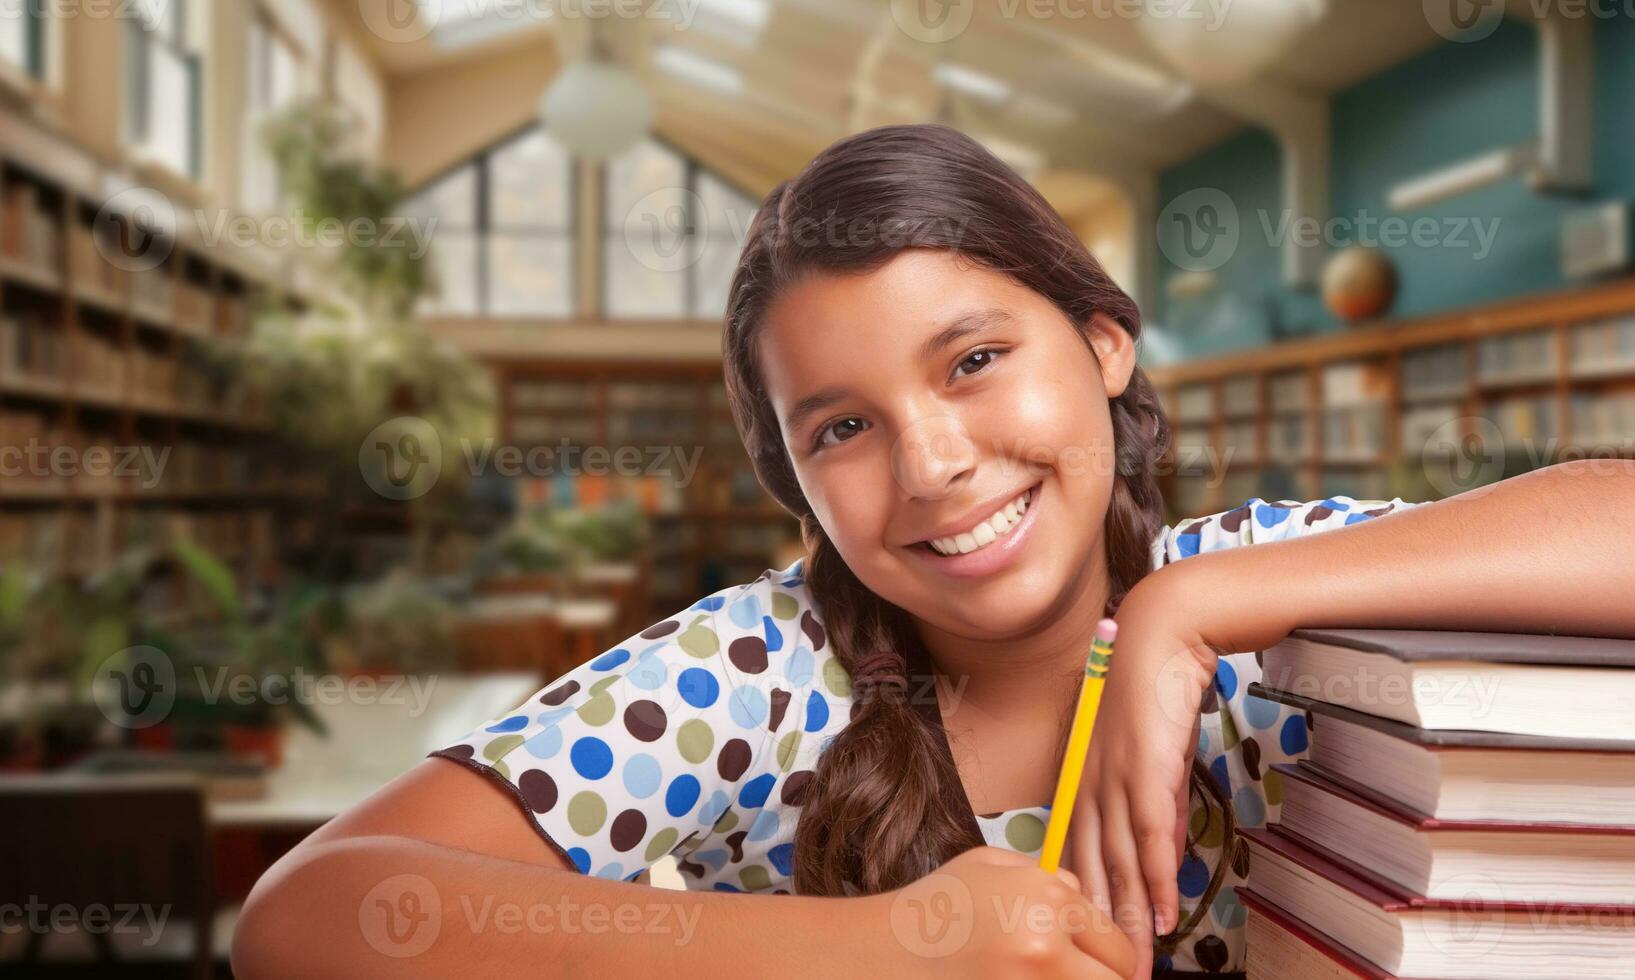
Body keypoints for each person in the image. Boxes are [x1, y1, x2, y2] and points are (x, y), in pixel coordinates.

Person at [232, 124, 1635, 979]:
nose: (934, 464)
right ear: (793, 481)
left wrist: (1185, 611)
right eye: (841, 427)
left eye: (973, 359)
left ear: (1102, 344)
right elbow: (315, 919)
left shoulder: (1265, 598)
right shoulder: (759, 673)